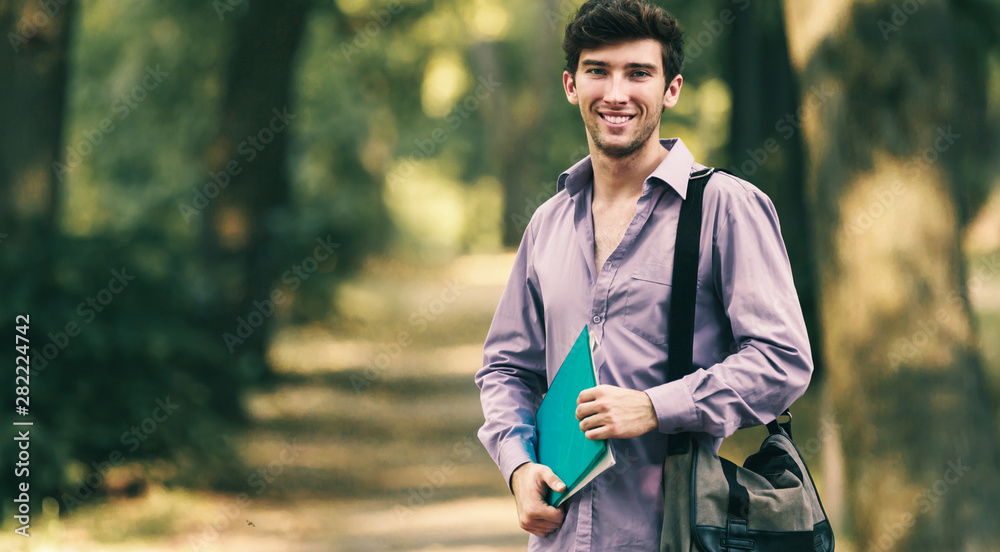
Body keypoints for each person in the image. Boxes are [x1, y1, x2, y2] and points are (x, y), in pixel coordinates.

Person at [474, 0, 814, 550]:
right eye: (597, 71)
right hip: (560, 540)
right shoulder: (548, 223)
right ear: (570, 84)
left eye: (638, 73)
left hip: (677, 534)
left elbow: (783, 361)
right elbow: (506, 367)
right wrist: (517, 465)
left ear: (671, 89)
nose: (616, 93)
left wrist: (656, 406)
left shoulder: (727, 209)